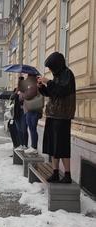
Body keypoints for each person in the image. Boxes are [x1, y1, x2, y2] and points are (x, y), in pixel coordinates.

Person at [37, 52, 76, 183]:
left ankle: (67, 174)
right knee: (52, 145)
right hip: (52, 115)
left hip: (63, 117)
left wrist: (48, 82)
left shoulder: (67, 74)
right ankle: (55, 172)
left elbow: (62, 91)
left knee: (62, 146)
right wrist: (42, 88)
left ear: (57, 65)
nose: (50, 70)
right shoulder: (58, 76)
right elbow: (52, 93)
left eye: (51, 67)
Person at [12, 77, 28, 151]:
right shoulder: (16, 90)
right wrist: (16, 92)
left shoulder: (26, 90)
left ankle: (25, 144)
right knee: (19, 130)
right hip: (17, 112)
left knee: (24, 129)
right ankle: (21, 144)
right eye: (19, 82)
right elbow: (12, 97)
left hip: (24, 112)